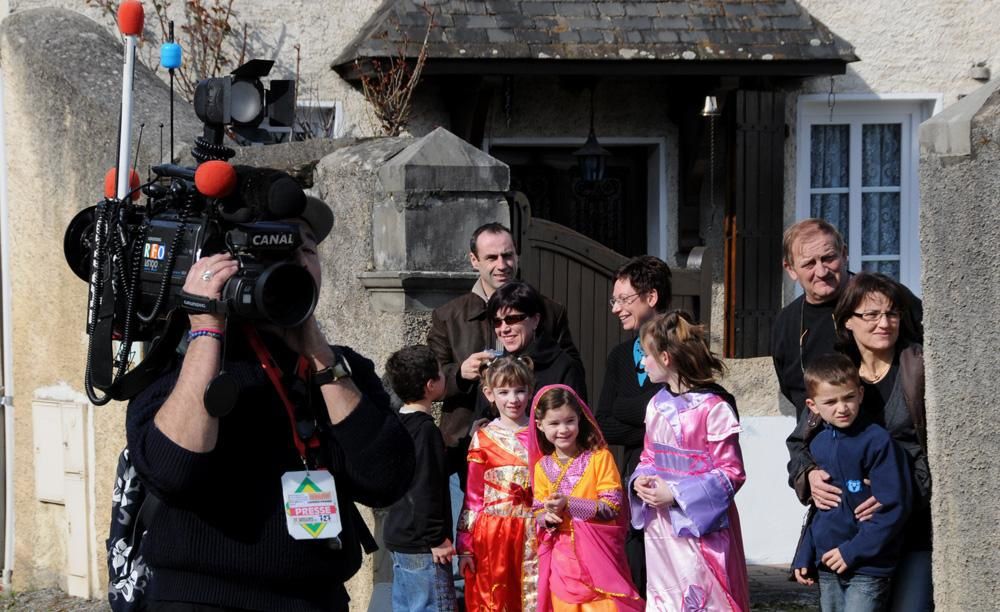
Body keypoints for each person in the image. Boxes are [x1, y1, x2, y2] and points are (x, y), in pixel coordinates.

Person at [125, 196, 415, 611]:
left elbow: (387, 479)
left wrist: (319, 354)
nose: (297, 263)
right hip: (201, 601)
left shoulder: (341, 367)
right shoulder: (179, 365)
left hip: (316, 599)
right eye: (275, 251)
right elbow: (173, 471)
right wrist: (207, 327)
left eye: (307, 250)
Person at [790, 273, 932, 611]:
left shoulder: (920, 367)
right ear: (847, 322)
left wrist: (895, 490)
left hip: (911, 525)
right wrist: (809, 475)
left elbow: (943, 447)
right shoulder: (836, 375)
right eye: (871, 314)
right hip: (847, 536)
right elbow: (800, 443)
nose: (884, 322)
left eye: (892, 313)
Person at [629, 311, 750, 611]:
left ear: (666, 358)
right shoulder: (656, 404)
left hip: (700, 527)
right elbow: (649, 455)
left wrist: (675, 494)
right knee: (665, 596)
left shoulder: (713, 408)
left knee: (704, 597)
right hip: (660, 529)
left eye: (646, 355)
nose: (642, 362)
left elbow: (731, 473)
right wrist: (641, 479)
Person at [427, 223, 579, 455]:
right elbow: (428, 384)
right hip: (465, 444)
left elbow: (570, 373)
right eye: (491, 257)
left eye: (507, 255)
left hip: (537, 446)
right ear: (474, 260)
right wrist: (459, 374)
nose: (502, 265)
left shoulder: (549, 310)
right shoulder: (448, 316)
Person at [792, 353, 911, 612]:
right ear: (812, 406)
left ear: (860, 393)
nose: (842, 408)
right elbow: (819, 510)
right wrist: (805, 554)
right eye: (830, 401)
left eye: (848, 397)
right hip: (827, 563)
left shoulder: (878, 442)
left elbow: (893, 507)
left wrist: (852, 551)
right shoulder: (817, 443)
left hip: (868, 566)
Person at [595, 255, 673, 593]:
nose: (616, 308)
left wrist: (629, 409)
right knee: (636, 559)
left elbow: (684, 416)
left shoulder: (680, 350)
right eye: (615, 300)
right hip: (632, 472)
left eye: (623, 299)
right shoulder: (618, 357)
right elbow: (603, 423)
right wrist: (652, 418)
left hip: (673, 480)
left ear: (650, 298)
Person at [529, 384, 644, 612]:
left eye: (569, 421)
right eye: (554, 423)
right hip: (562, 563)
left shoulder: (600, 459)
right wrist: (547, 516)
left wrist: (568, 504)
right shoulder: (542, 467)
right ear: (540, 425)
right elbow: (538, 509)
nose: (563, 429)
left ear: (579, 420)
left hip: (599, 557)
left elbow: (612, 507)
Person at [456, 356, 538, 611]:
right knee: (496, 599)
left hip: (537, 530)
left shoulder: (542, 434)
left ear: (530, 391)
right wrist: (465, 546)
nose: (513, 399)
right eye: (504, 392)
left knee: (534, 596)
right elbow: (473, 497)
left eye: (520, 390)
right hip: (493, 535)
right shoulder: (483, 439)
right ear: (490, 394)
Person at [383, 345, 457, 612]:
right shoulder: (426, 431)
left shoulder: (397, 424)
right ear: (430, 385)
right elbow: (424, 488)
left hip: (401, 537)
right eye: (441, 372)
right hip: (423, 546)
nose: (445, 376)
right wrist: (436, 538)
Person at [473, 280, 587, 419]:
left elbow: (576, 424)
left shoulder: (564, 367)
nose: (504, 329)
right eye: (497, 322)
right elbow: (481, 421)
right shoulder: (493, 367)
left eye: (512, 319)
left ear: (535, 320)